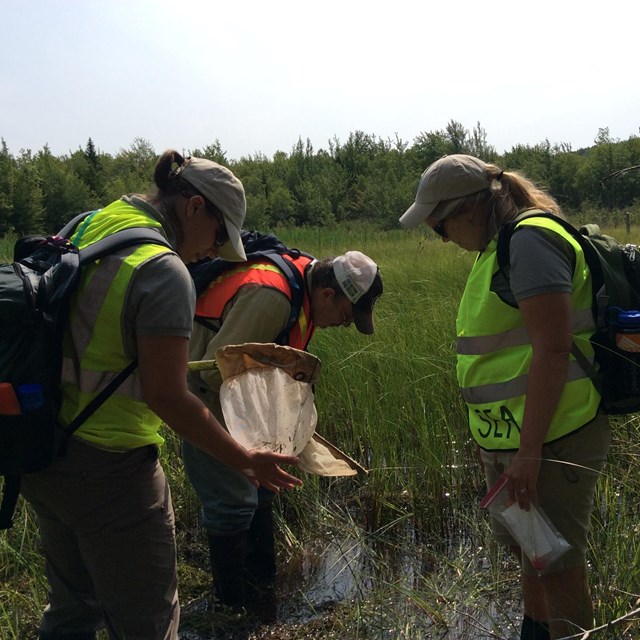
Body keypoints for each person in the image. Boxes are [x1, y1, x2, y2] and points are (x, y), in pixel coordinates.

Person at [20, 150, 303, 640]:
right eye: (219, 235)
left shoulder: (92, 222)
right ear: (195, 207)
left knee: (72, 610)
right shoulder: (162, 270)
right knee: (149, 624)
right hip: (111, 469)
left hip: (38, 448)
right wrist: (244, 460)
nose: (214, 252)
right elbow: (169, 398)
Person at [400, 154, 610, 640]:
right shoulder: (495, 249)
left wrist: (528, 452)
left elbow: (554, 348)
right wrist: (496, 443)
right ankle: (534, 632)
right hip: (515, 441)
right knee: (533, 552)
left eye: (440, 226)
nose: (443, 237)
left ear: (470, 208)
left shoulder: (531, 240)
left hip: (555, 438)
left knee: (559, 565)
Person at [184, 247, 383, 615]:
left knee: (262, 487)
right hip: (204, 397)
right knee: (231, 502)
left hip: (240, 400)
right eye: (343, 315)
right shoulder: (273, 296)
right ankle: (233, 610)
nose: (342, 323)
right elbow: (213, 372)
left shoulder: (306, 289)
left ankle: (261, 586)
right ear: (328, 293)